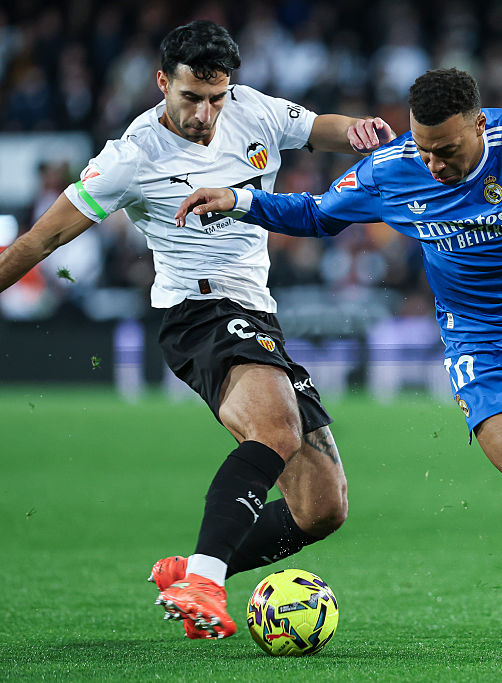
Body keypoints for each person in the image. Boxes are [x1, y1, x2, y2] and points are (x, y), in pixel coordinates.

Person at [176, 67, 502, 657]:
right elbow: (317, 214)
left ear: (479, 124)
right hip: (481, 350)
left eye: (448, 151)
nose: (433, 164)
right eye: (424, 149)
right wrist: (240, 200)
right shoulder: (393, 169)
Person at [0, 20, 395, 639]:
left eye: (216, 97)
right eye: (192, 98)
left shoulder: (252, 109)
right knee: (275, 429)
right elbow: (39, 240)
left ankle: (191, 571)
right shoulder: (131, 156)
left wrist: (360, 131)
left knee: (322, 507)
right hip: (198, 312)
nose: (206, 114)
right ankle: (204, 584)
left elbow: (323, 128)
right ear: (163, 83)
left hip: (257, 314)